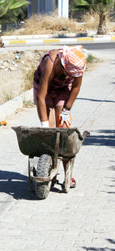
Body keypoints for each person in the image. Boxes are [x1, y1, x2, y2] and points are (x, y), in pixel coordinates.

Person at [33, 45, 87, 188]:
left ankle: (68, 174)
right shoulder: (50, 62)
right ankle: (51, 173)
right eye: (67, 72)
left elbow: (75, 87)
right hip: (44, 91)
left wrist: (66, 110)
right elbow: (41, 96)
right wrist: (45, 125)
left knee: (63, 133)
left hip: (63, 89)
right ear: (62, 64)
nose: (70, 76)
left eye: (72, 75)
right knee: (51, 133)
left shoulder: (78, 65)